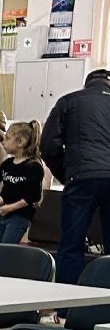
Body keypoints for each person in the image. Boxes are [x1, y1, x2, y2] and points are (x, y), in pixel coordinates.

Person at [44, 68, 110, 285]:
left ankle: (67, 301)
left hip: (81, 177)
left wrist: (65, 174)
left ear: (86, 84)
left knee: (71, 245)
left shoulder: (69, 101)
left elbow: (48, 145)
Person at [0, 120, 44, 245]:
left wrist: (10, 208)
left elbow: (33, 197)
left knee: (6, 249)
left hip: (20, 216)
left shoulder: (34, 167)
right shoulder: (7, 164)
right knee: (1, 248)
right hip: (3, 213)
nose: (3, 142)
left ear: (20, 142)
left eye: (7, 138)